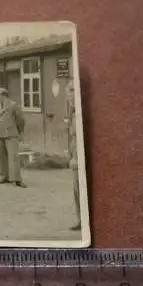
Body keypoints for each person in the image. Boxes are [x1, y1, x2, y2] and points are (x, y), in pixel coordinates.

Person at [0, 88, 27, 188]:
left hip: (11, 134)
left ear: (4, 95)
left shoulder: (13, 105)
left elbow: (21, 120)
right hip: (0, 134)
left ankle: (17, 179)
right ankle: (4, 176)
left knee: (13, 157)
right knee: (2, 157)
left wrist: (19, 131)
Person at [67, 84, 81, 231]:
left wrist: (75, 158)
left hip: (79, 157)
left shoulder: (79, 113)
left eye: (70, 94)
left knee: (80, 189)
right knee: (76, 190)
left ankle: (84, 220)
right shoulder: (73, 112)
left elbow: (79, 138)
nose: (68, 98)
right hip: (74, 153)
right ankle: (80, 219)